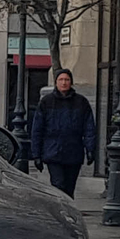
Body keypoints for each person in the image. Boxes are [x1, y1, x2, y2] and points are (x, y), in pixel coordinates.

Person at [28, 67, 98, 196]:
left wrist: (90, 149)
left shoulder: (81, 102)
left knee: (69, 187)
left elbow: (89, 128)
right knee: (58, 185)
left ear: (71, 82)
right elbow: (37, 129)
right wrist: (36, 155)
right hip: (53, 151)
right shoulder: (46, 102)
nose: (64, 82)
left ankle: (68, 212)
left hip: (73, 151)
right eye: (61, 79)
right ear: (56, 82)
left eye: (66, 79)